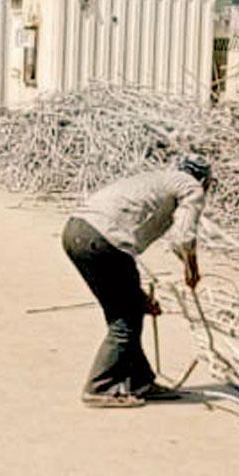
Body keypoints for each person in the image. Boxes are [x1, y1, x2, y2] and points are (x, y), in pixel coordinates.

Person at [62, 156, 212, 408]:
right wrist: (192, 268)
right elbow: (183, 237)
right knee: (126, 319)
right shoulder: (191, 187)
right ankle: (100, 388)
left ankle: (140, 381)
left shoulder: (158, 180)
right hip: (103, 240)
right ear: (206, 180)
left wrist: (140, 297)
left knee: (126, 311)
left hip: (76, 232)